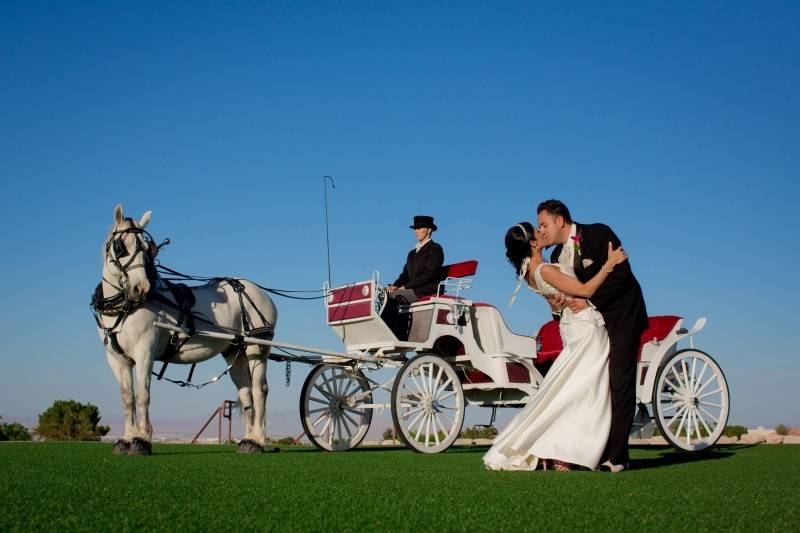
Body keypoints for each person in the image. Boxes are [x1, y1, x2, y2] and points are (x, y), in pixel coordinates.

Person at [483, 222, 628, 471]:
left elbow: (559, 302)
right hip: (585, 328)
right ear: (532, 243)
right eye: (538, 231)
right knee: (585, 392)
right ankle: (562, 449)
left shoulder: (530, 273)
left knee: (572, 391)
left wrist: (560, 302)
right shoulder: (544, 270)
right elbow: (585, 289)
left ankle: (559, 450)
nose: (542, 232)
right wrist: (609, 264)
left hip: (573, 327)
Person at [537, 199, 648, 472]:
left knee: (619, 381)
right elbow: (569, 294)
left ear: (560, 220)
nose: (542, 231)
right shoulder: (554, 258)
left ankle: (618, 457)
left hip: (622, 316)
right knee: (593, 386)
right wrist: (558, 306)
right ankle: (587, 449)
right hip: (589, 326)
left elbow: (622, 275)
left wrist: (589, 301)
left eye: (544, 224)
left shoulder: (598, 233)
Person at [382, 216, 444, 339]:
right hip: (412, 289)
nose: (416, 231)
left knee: (395, 296)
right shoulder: (412, 253)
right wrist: (395, 285)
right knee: (384, 295)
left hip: (427, 289)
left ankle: (397, 335)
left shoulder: (435, 249)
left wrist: (404, 287)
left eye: (419, 228)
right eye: (415, 228)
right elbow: (404, 275)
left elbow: (429, 275)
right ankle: (387, 333)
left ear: (429, 230)